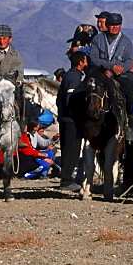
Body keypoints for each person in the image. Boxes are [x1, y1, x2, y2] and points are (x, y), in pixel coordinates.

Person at [56, 51, 87, 192]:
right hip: (71, 121)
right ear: (81, 62)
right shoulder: (74, 77)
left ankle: (67, 178)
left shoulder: (70, 75)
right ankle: (66, 180)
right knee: (71, 150)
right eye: (85, 61)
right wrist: (78, 115)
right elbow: (71, 99)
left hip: (65, 118)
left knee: (68, 149)